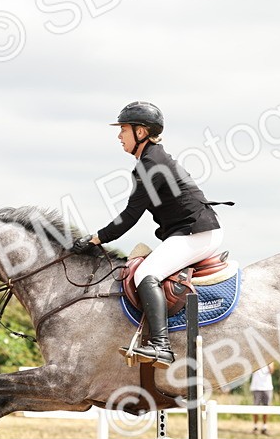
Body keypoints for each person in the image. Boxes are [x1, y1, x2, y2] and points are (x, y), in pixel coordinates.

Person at [86, 101, 227, 368]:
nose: (119, 136)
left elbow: (129, 217)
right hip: (193, 231)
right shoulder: (151, 161)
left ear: (141, 132)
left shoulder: (151, 165)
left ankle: (161, 347)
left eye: (124, 129)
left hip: (195, 233)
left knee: (144, 274)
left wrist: (96, 239)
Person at [250, 363, 275, 435]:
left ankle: (264, 427)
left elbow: (272, 371)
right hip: (256, 387)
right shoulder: (255, 358)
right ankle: (255, 427)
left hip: (267, 387)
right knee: (255, 408)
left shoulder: (270, 359)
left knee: (266, 408)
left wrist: (268, 364)